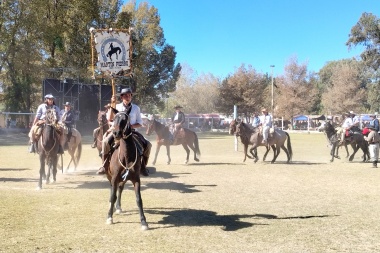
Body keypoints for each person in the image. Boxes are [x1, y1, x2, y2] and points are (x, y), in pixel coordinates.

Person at [96, 88, 151, 176]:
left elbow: (140, 123)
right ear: (121, 97)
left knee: (148, 144)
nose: (128, 97)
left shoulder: (136, 108)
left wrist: (130, 126)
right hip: (118, 132)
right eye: (125, 95)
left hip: (131, 132)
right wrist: (112, 105)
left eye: (129, 95)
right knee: (105, 142)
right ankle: (104, 165)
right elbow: (109, 119)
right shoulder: (117, 107)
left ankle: (143, 166)